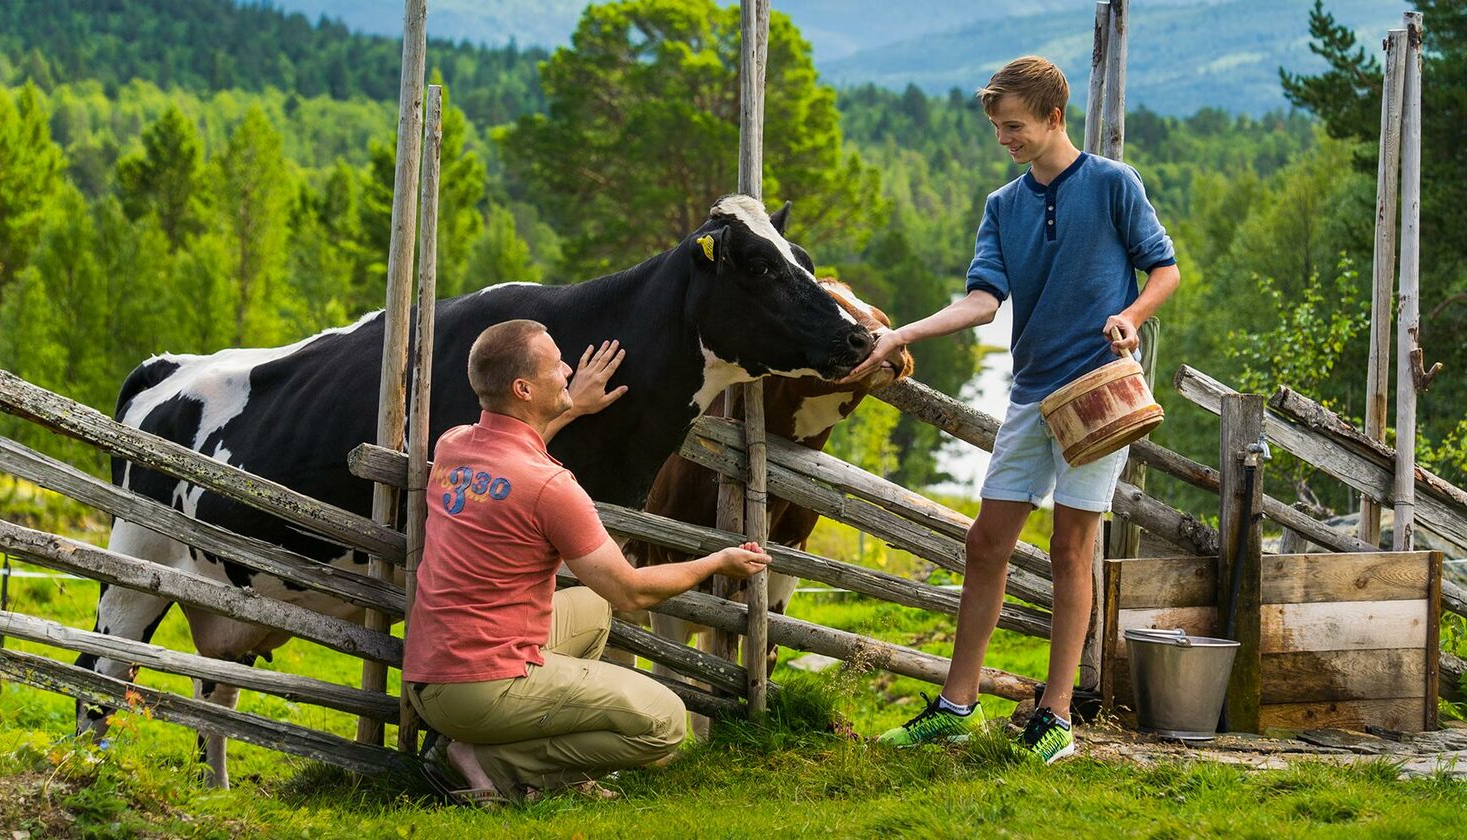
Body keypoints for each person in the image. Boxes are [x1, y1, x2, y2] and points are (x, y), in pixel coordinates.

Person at [845, 56, 1180, 764]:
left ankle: (1055, 717)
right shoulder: (1004, 206)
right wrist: (901, 333)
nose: (1004, 139)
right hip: (1031, 395)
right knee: (986, 543)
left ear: (1055, 117)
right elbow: (982, 301)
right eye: (998, 128)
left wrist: (1132, 314)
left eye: (1014, 126)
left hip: (1100, 395)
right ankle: (955, 705)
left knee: (1070, 550)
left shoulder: (1115, 185)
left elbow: (1165, 268)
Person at [403, 319, 771, 803]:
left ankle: (506, 749)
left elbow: (518, 448)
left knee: (590, 610)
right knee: (666, 722)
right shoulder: (552, 488)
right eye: (556, 365)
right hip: (482, 687)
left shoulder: (455, 445)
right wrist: (715, 562)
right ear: (523, 388)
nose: (568, 370)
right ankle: (492, 762)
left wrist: (571, 405)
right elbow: (630, 591)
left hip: (431, 674)